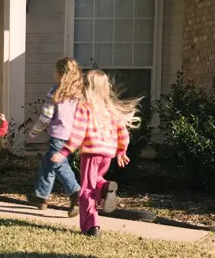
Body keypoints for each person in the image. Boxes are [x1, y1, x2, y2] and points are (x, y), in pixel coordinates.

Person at [51, 69, 141, 237]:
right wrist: (121, 150)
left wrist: (64, 151)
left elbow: (77, 133)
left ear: (86, 87)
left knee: (86, 190)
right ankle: (106, 187)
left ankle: (92, 226)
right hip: (107, 154)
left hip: (92, 154)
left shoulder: (84, 108)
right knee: (97, 181)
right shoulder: (109, 109)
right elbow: (122, 131)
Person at [27, 57, 83, 217]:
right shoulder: (79, 94)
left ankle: (75, 193)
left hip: (58, 136)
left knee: (59, 164)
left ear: (59, 73)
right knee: (48, 163)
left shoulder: (55, 91)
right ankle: (41, 196)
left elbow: (46, 116)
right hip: (72, 136)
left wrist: (34, 131)